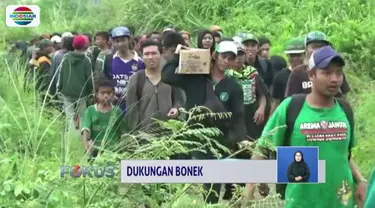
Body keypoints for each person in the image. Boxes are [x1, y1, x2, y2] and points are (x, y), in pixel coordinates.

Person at [248, 46, 367, 207]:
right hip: (301, 202)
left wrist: (360, 180)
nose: (334, 79)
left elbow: (343, 155)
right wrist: (248, 192)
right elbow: (262, 149)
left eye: (338, 73)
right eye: (327, 73)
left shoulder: (344, 110)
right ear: (311, 74)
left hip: (341, 201)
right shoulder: (292, 107)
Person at [163, 40, 246, 204]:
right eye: (223, 56)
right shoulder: (196, 78)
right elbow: (167, 76)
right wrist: (177, 57)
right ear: (215, 55)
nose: (226, 61)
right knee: (191, 185)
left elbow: (238, 116)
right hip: (195, 136)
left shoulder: (233, 86)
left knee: (212, 186)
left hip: (218, 139)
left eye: (230, 58)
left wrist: (238, 139)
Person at [126, 39, 183, 133]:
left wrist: (176, 109)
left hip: (170, 134)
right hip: (144, 136)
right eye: (146, 54)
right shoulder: (136, 79)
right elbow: (132, 111)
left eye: (154, 53)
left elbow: (180, 99)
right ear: (142, 57)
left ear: (161, 55)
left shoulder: (171, 77)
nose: (150, 57)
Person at [284, 31, 351, 98]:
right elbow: (290, 100)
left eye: (322, 47)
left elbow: (344, 96)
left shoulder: (335, 70)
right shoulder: (297, 72)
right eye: (314, 47)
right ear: (306, 49)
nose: (318, 50)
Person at [101, 26, 146, 111]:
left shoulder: (140, 62)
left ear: (129, 40)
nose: (120, 44)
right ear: (112, 42)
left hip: (136, 104)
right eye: (117, 41)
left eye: (123, 40)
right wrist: (110, 94)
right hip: (115, 104)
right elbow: (106, 80)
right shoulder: (109, 60)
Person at [81, 80, 126, 161]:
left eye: (108, 93)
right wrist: (86, 144)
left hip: (113, 151)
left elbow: (124, 132)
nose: (106, 96)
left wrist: (122, 149)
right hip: (95, 150)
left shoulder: (117, 111)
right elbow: (85, 129)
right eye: (102, 93)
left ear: (113, 95)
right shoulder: (90, 110)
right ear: (97, 95)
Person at [56, 35, 94, 130]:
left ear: (73, 45)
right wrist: (91, 92)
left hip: (67, 92)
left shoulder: (66, 58)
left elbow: (61, 74)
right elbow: (90, 79)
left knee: (70, 117)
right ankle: (82, 138)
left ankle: (71, 138)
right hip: (81, 93)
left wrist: (59, 89)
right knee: (82, 116)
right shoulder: (86, 60)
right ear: (85, 46)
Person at [271, 37, 305, 114]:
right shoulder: (280, 76)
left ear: (304, 54)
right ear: (287, 56)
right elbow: (276, 102)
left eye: (299, 55)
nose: (295, 59)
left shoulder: (311, 75)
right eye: (292, 55)